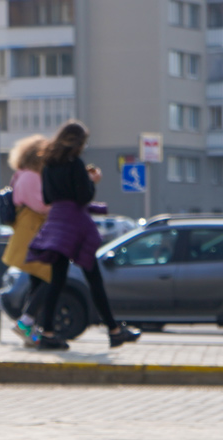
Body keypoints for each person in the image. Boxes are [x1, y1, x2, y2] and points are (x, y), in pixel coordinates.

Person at [26, 121, 141, 351]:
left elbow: (48, 198)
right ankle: (114, 331)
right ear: (77, 143)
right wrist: (91, 180)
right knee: (93, 277)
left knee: (56, 280)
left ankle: (48, 333)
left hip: (56, 222)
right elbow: (83, 197)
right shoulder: (76, 165)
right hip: (75, 225)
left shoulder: (48, 166)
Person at [2, 134, 52, 347]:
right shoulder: (31, 177)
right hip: (32, 233)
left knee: (37, 281)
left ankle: (30, 330)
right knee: (52, 277)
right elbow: (41, 206)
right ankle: (25, 322)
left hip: (30, 233)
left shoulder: (21, 175)